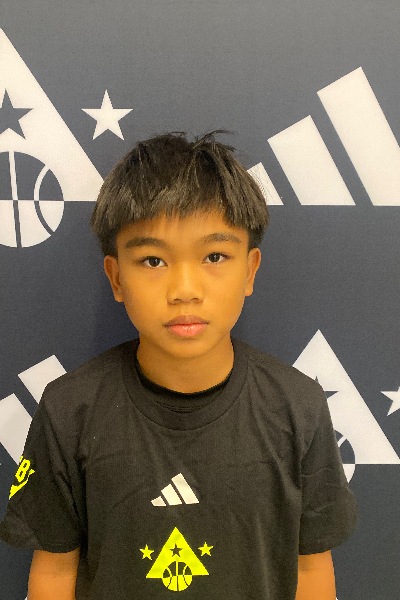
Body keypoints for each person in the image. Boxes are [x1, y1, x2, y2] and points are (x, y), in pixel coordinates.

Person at [0, 130, 358, 600]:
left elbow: (310, 570)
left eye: (214, 256)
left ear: (250, 270)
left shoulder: (299, 406)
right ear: (116, 277)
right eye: (153, 260)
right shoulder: (69, 410)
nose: (185, 289)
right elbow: (54, 573)